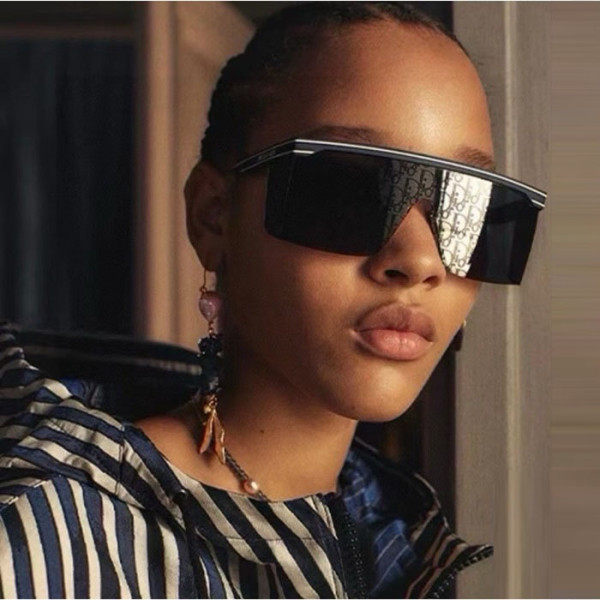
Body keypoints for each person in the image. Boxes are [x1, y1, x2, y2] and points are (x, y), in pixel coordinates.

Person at [0, 2, 546, 598]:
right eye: (351, 187)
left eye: (465, 207)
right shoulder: (50, 544)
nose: (421, 261)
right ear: (214, 216)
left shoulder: (398, 542)